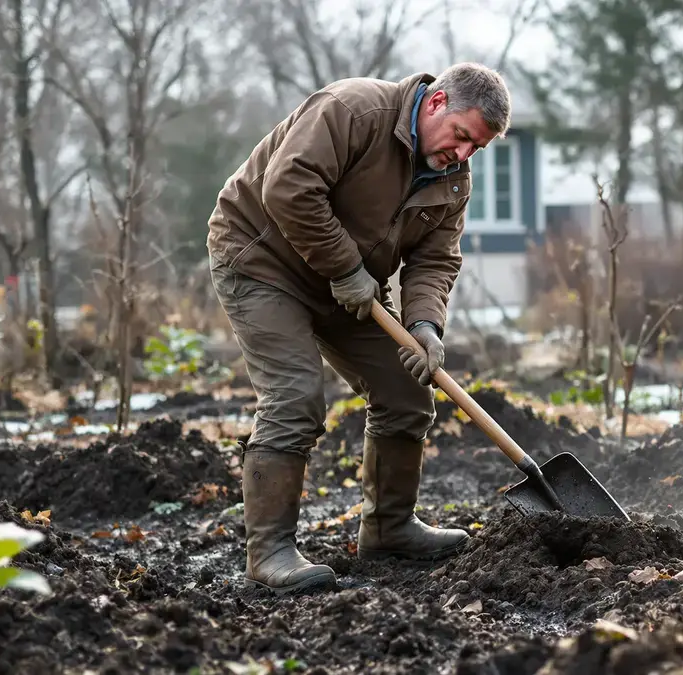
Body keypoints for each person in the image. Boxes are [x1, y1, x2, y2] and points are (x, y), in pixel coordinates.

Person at [205, 63, 512, 595]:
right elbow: (289, 187)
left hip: (349, 283)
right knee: (295, 395)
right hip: (262, 262)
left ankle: (389, 530)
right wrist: (347, 269)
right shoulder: (354, 110)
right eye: (462, 136)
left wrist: (423, 324)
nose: (463, 155)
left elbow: (437, 258)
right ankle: (269, 552)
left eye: (476, 149)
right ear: (436, 104)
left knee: (406, 392)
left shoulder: (451, 179)